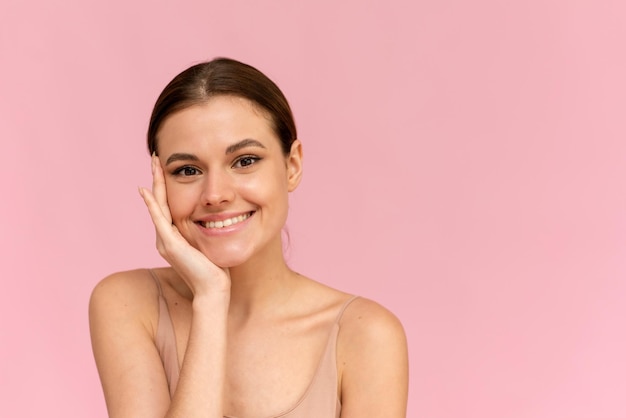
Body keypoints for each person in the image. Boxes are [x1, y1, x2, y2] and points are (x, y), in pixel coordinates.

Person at [89, 57, 408, 418]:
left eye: (244, 161)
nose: (216, 194)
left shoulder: (366, 336)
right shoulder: (129, 304)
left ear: (293, 166)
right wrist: (210, 299)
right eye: (187, 170)